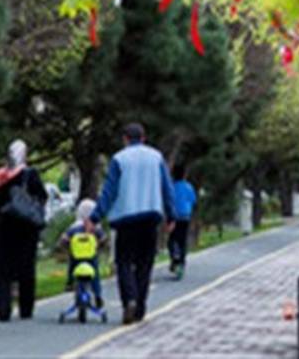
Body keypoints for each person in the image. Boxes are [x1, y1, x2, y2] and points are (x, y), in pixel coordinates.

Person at [85, 123, 175, 325]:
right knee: (145, 263)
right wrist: (171, 215)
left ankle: (129, 300)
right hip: (150, 216)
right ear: (143, 138)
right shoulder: (156, 157)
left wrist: (95, 217)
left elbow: (109, 192)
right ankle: (140, 306)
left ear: (125, 138)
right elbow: (167, 188)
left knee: (124, 262)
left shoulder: (119, 159)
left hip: (125, 218)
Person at [0, 139, 47, 321]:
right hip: (26, 229)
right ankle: (26, 308)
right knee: (26, 269)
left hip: (5, 228)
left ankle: (2, 308)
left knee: (2, 270)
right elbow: (42, 197)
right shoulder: (31, 175)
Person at [59, 199, 106, 308]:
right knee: (95, 274)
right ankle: (97, 294)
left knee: (72, 267)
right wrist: (99, 246)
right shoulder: (95, 228)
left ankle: (70, 283)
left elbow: (64, 239)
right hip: (91, 257)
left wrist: (67, 246)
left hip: (77, 257)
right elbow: (103, 239)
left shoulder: (74, 227)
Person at [168, 165, 197, 279]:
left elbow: (168, 201)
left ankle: (174, 259)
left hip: (174, 217)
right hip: (185, 217)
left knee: (172, 240)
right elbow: (193, 201)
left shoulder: (172, 187)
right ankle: (181, 263)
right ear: (185, 175)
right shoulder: (189, 187)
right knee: (182, 241)